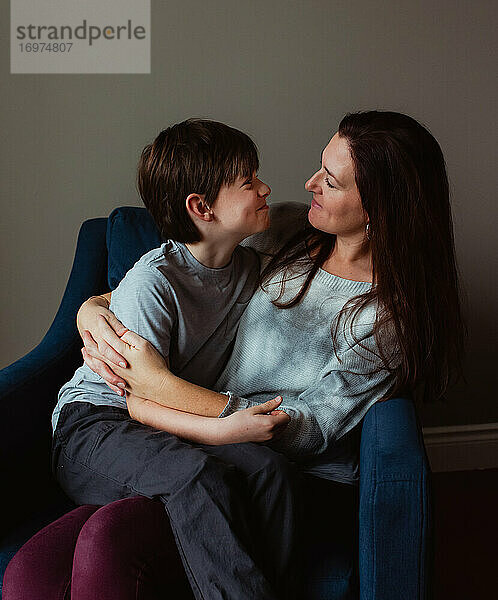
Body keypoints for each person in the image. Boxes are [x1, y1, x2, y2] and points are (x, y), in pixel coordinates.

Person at [3, 110, 467, 600]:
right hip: (185, 435)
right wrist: (90, 310)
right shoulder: (287, 229)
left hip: (250, 450)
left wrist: (198, 404)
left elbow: (307, 428)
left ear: (381, 206)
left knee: (110, 538)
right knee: (36, 569)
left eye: (330, 182)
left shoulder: (390, 318)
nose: (307, 184)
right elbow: (179, 271)